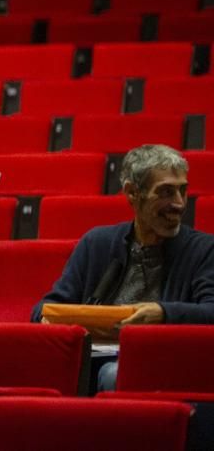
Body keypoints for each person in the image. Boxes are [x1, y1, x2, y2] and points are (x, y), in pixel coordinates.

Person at [32, 144, 214, 390]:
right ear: (132, 193)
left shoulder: (203, 250)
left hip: (161, 362)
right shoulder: (97, 243)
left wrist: (163, 313)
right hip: (89, 358)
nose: (179, 204)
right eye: (166, 192)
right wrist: (48, 320)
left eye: (183, 190)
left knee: (113, 375)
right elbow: (46, 307)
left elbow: (210, 312)